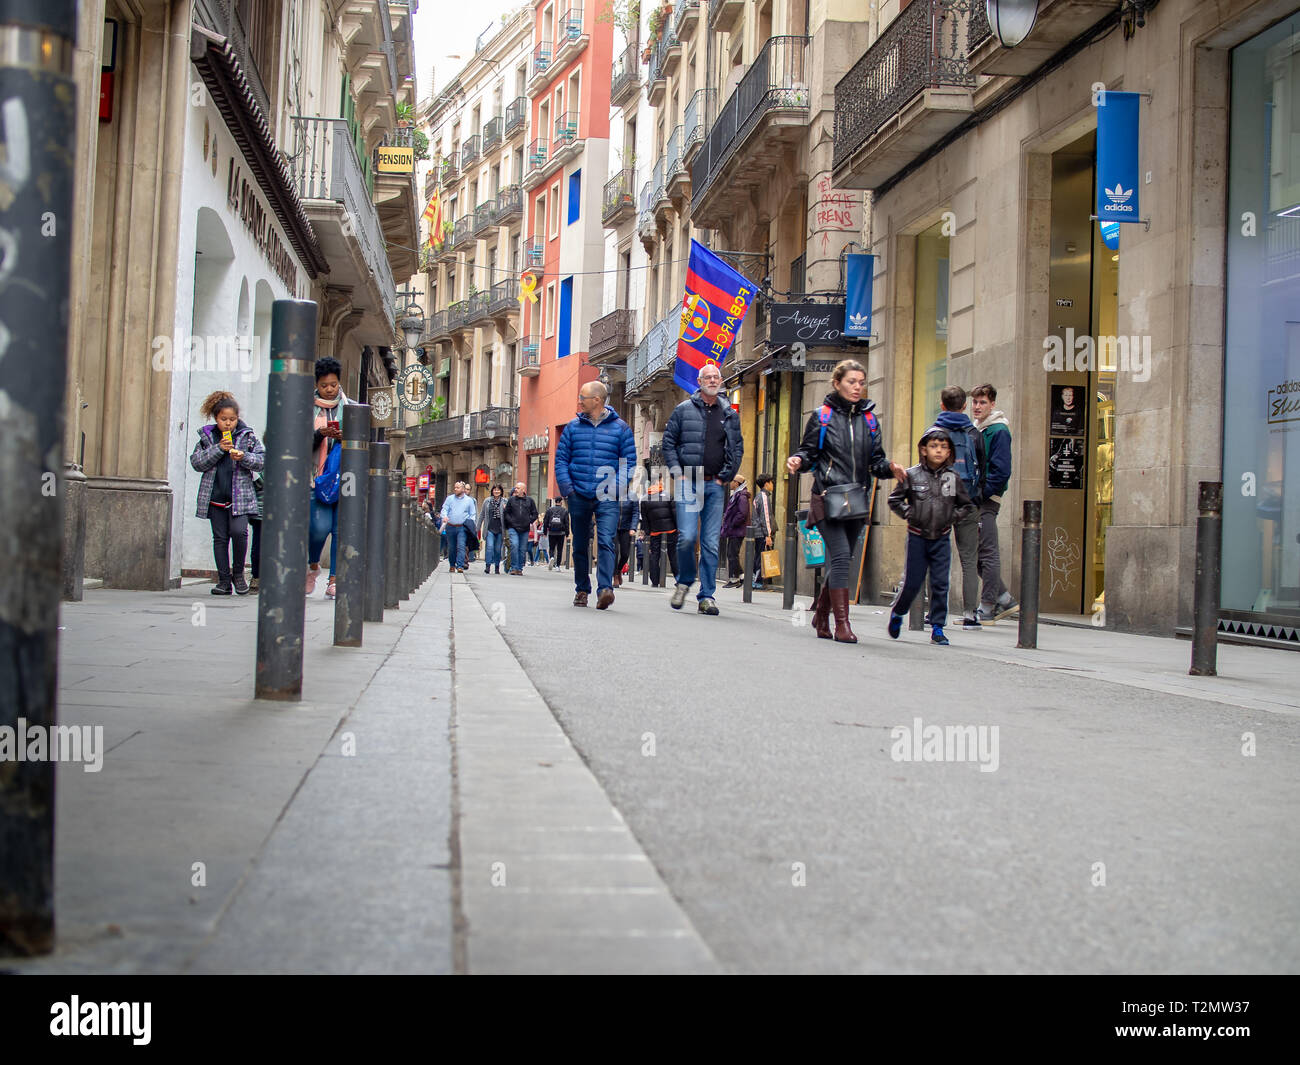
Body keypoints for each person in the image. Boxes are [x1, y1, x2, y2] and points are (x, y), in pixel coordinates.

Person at [787, 359, 906, 643]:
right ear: (837, 382)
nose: (857, 387)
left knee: (843, 560)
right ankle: (842, 624)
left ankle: (820, 616)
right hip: (828, 497)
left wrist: (890, 468)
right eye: (852, 381)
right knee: (840, 557)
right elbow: (809, 453)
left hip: (857, 499)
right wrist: (797, 460)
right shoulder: (822, 416)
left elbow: (875, 461)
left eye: (861, 382)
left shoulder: (869, 419)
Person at [663, 362, 743, 615]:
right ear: (699, 382)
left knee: (710, 542)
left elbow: (737, 448)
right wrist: (678, 473)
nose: (711, 380)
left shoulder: (730, 414)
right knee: (686, 537)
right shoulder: (683, 410)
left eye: (715, 377)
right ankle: (685, 581)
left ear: (720, 382)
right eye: (707, 377)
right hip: (689, 480)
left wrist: (725, 477)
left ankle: (707, 596)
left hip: (715, 484)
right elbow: (668, 444)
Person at [886, 427, 976, 646]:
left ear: (949, 452)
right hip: (917, 536)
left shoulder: (952, 477)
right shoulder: (912, 474)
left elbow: (966, 505)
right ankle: (898, 612)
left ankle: (937, 627)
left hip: (942, 537)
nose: (939, 451)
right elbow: (894, 500)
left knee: (940, 583)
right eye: (934, 446)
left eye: (944, 447)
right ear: (924, 449)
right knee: (913, 583)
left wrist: (951, 517)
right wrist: (910, 513)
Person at [555, 380, 637, 609]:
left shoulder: (621, 428)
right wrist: (568, 489)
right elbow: (561, 460)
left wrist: (615, 487)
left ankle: (605, 589)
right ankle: (582, 589)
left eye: (583, 397)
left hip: (608, 496)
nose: (579, 401)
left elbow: (629, 463)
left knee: (607, 541)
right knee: (580, 544)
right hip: (578, 493)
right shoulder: (572, 427)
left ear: (597, 400)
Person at [191, 391, 264, 596]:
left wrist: (244, 457)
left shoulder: (246, 436)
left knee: (240, 533)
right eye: (224, 419)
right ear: (216, 419)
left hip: (240, 499)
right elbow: (197, 462)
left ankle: (239, 575)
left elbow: (262, 460)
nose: (228, 423)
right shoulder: (207, 438)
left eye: (232, 419)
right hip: (216, 498)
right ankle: (224, 581)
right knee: (220, 538)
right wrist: (219, 449)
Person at [930, 385, 987, 628]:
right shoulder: (974, 433)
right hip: (968, 501)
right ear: (964, 406)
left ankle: (933, 612)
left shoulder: (933, 433)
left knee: (935, 557)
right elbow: (984, 469)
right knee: (969, 559)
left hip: (939, 503)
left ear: (942, 405)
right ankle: (970, 613)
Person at [970, 383, 1017, 622]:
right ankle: (1005, 599)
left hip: (986, 499)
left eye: (982, 403)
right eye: (975, 402)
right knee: (978, 554)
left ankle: (987, 605)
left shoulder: (998, 430)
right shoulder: (979, 428)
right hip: (977, 497)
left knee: (987, 553)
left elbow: (1001, 471)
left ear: (993, 404)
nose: (977, 407)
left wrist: (981, 495)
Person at [307, 357, 350, 599]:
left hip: (343, 476)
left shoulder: (349, 405)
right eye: (324, 385)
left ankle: (334, 578)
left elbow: (361, 438)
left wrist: (345, 436)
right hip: (317, 476)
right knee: (318, 528)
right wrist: (319, 433)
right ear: (317, 384)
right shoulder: (308, 408)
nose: (330, 389)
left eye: (333, 384)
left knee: (339, 529)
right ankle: (313, 563)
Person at [640, 476, 677, 587]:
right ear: (657, 482)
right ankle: (679, 579)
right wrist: (678, 528)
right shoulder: (668, 496)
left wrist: (647, 533)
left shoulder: (645, 499)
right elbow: (675, 514)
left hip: (655, 532)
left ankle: (655, 580)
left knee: (655, 556)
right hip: (670, 531)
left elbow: (645, 519)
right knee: (673, 555)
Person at [720, 474, 751, 588]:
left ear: (737, 483)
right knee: (732, 553)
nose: (730, 483)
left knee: (732, 554)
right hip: (734, 529)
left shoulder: (741, 496)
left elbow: (742, 513)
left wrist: (732, 523)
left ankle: (734, 579)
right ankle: (742, 576)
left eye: (732, 481)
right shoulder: (736, 495)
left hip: (737, 530)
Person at [439, 481, 476, 572]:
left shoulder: (469, 500)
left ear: (463, 489)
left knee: (461, 546)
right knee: (452, 547)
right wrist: (444, 516)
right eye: (455, 487)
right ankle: (452, 564)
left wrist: (470, 524)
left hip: (462, 527)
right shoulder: (450, 499)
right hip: (451, 526)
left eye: (458, 487)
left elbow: (472, 514)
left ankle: (460, 565)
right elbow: (444, 509)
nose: (455, 489)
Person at [504, 482, 538, 575]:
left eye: (518, 488)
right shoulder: (511, 500)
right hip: (513, 528)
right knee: (514, 545)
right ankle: (514, 567)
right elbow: (506, 513)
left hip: (525, 528)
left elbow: (535, 513)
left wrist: (529, 521)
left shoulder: (530, 500)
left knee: (522, 549)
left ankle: (519, 568)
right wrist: (511, 522)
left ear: (523, 490)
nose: (516, 489)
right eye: (515, 488)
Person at [751, 473, 775, 590]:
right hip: (762, 532)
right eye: (771, 482)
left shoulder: (758, 496)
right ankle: (757, 580)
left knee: (758, 555)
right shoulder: (763, 497)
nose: (773, 485)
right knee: (760, 555)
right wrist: (768, 535)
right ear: (766, 484)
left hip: (758, 531)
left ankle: (756, 579)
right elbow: (765, 517)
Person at [479, 484, 507, 574]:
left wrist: (505, 509)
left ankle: (497, 567)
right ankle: (487, 566)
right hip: (489, 528)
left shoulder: (505, 501)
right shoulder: (487, 501)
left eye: (498, 490)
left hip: (500, 529)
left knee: (498, 549)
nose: (496, 491)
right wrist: (478, 527)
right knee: (489, 547)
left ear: (501, 491)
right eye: (495, 490)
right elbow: (482, 514)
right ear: (492, 491)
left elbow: (509, 515)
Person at [615, 493, 640, 587]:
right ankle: (615, 576)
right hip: (613, 528)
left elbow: (635, 512)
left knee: (625, 554)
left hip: (626, 528)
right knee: (615, 551)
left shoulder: (632, 496)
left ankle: (618, 570)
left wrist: (633, 528)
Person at [543, 497, 569, 569]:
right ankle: (558, 565)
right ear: (561, 502)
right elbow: (567, 523)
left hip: (552, 532)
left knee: (551, 547)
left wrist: (545, 532)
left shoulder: (549, 510)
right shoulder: (564, 511)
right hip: (561, 533)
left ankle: (551, 557)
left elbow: (545, 521)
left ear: (555, 502)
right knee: (559, 549)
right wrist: (567, 534)